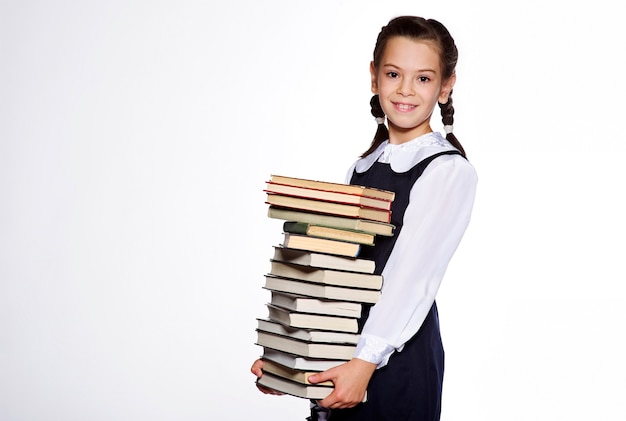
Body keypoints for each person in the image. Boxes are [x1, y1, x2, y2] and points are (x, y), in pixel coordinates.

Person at [251, 15, 477, 421]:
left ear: (446, 87)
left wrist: (365, 362)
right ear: (374, 78)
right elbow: (333, 271)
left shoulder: (446, 170)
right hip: (341, 344)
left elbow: (412, 276)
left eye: (423, 79)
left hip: (393, 355)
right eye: (393, 74)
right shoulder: (362, 167)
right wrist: (288, 357)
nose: (406, 90)